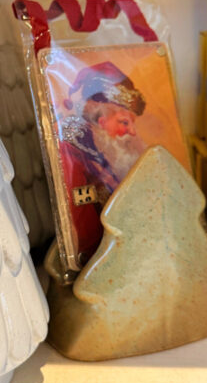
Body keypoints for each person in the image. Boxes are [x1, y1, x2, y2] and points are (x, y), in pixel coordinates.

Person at [55, 61, 148, 263]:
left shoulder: (106, 151)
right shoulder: (72, 152)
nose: (132, 132)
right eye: (124, 122)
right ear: (100, 120)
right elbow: (84, 230)